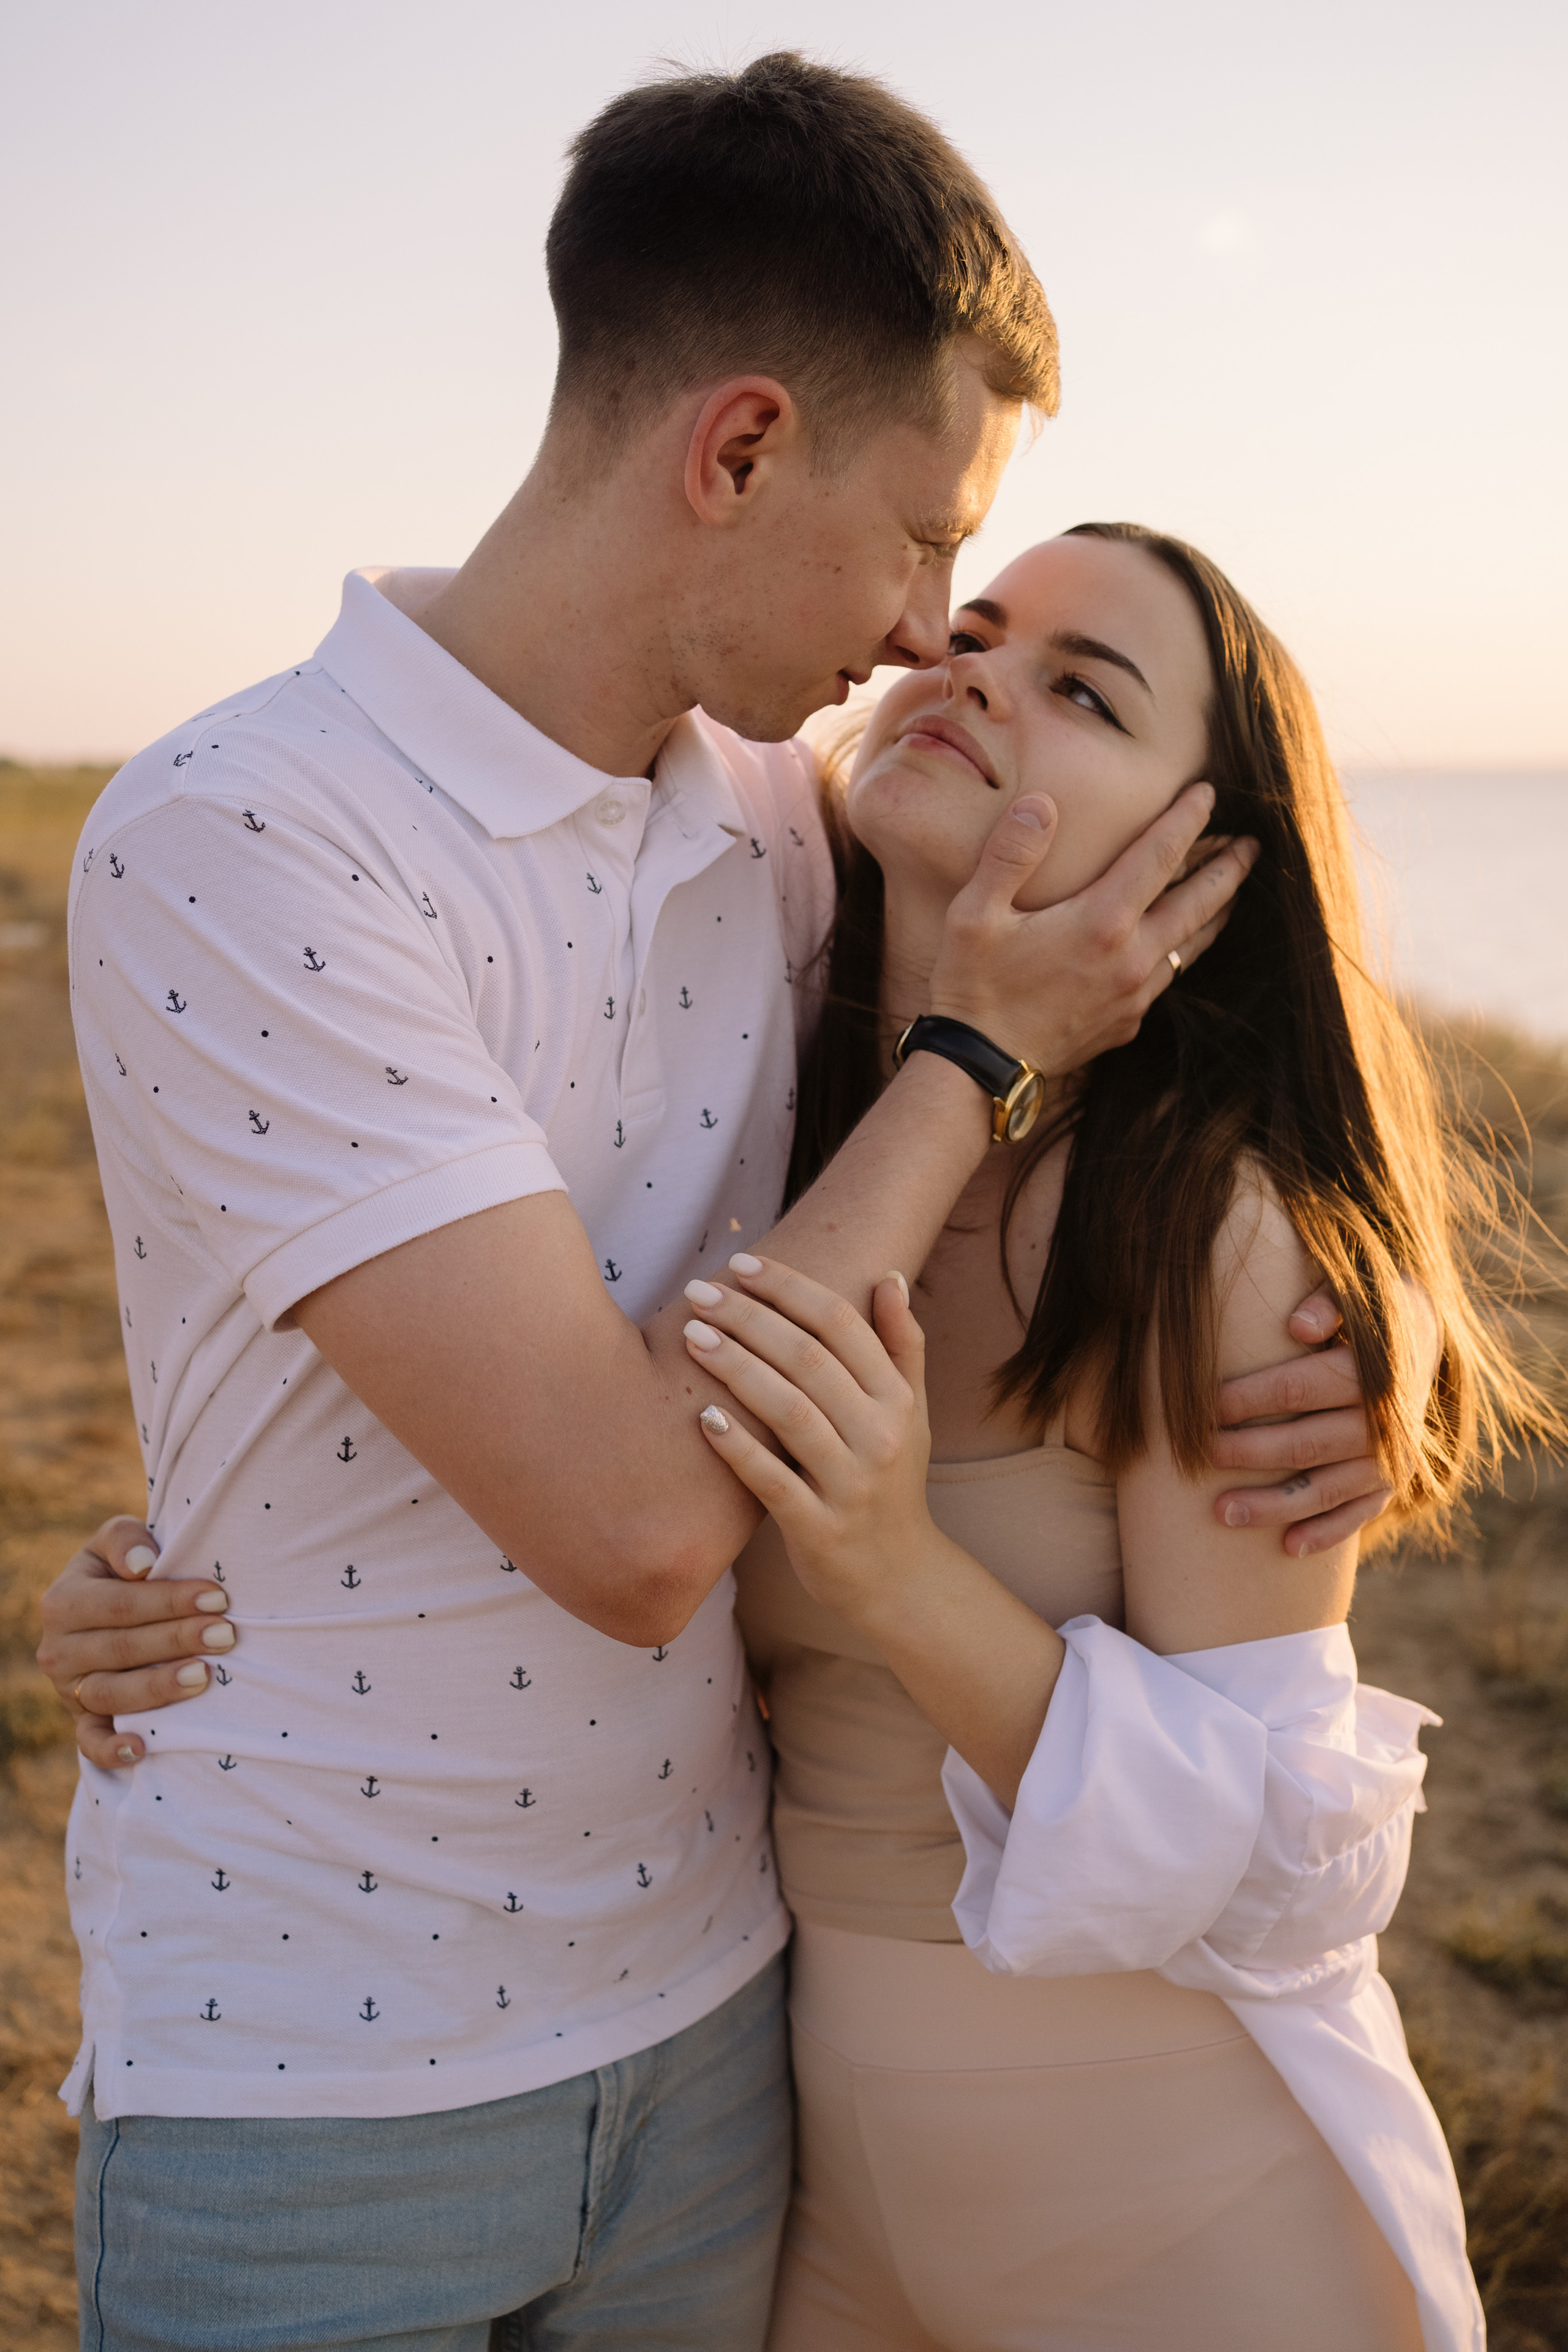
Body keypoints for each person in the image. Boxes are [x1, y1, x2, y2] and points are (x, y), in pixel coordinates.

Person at [38, 56, 1398, 2352]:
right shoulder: (246, 832)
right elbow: (639, 1522)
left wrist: (1378, 1325)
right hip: (327, 2072)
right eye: (929, 539)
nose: (924, 632)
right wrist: (985, 1052)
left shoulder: (786, 830)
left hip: (721, 2042)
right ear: (741, 449)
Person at [674, 524, 1555, 2352]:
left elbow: (1287, 1869)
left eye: (1082, 689)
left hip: (1179, 2199)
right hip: (821, 2191)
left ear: (1207, 864)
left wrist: (897, 1572)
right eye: (976, 632)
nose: (980, 672)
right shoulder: (764, 1133)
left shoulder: (1207, 1242)